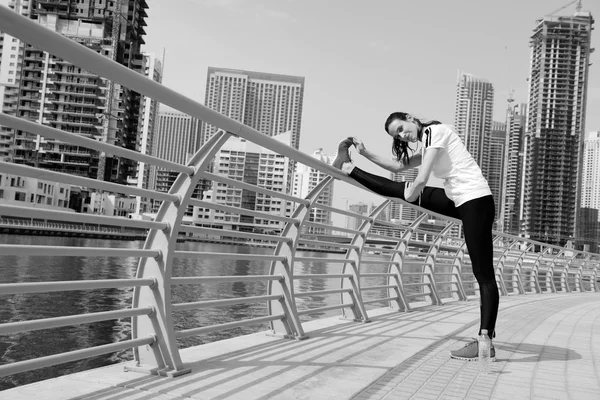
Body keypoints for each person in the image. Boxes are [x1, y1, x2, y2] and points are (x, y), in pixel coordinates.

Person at [331, 111, 498, 361]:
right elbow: (397, 166)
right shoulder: (430, 139)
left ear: (410, 117)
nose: (402, 135)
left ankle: (485, 341)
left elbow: (421, 178)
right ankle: (348, 166)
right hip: (461, 199)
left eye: (401, 128)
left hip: (475, 201)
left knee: (483, 274)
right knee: (400, 188)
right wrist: (365, 153)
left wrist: (410, 193)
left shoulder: (434, 132)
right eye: (397, 134)